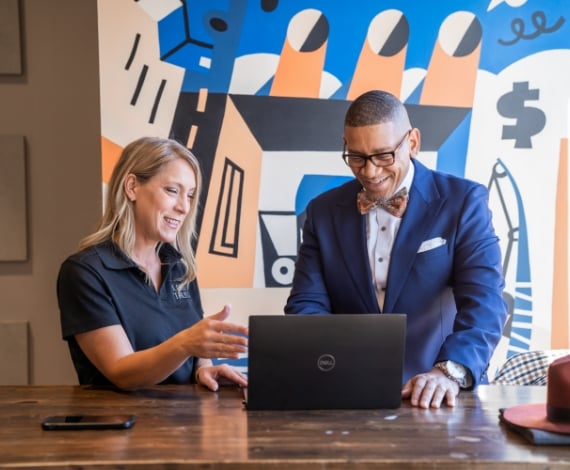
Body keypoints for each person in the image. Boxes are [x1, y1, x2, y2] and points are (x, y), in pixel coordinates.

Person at [285, 90, 507, 409]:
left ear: (412, 142)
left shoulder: (464, 201)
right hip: (347, 392)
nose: (371, 172)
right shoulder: (322, 211)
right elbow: (307, 303)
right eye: (357, 157)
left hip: (441, 392)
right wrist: (331, 367)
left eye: (384, 155)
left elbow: (485, 301)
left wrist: (448, 371)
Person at [57, 136, 248, 391]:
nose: (184, 207)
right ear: (132, 187)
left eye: (190, 195)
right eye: (172, 190)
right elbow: (121, 371)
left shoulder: (179, 268)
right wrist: (186, 343)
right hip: (119, 426)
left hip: (184, 427)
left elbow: (195, 353)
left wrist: (204, 368)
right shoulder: (85, 273)